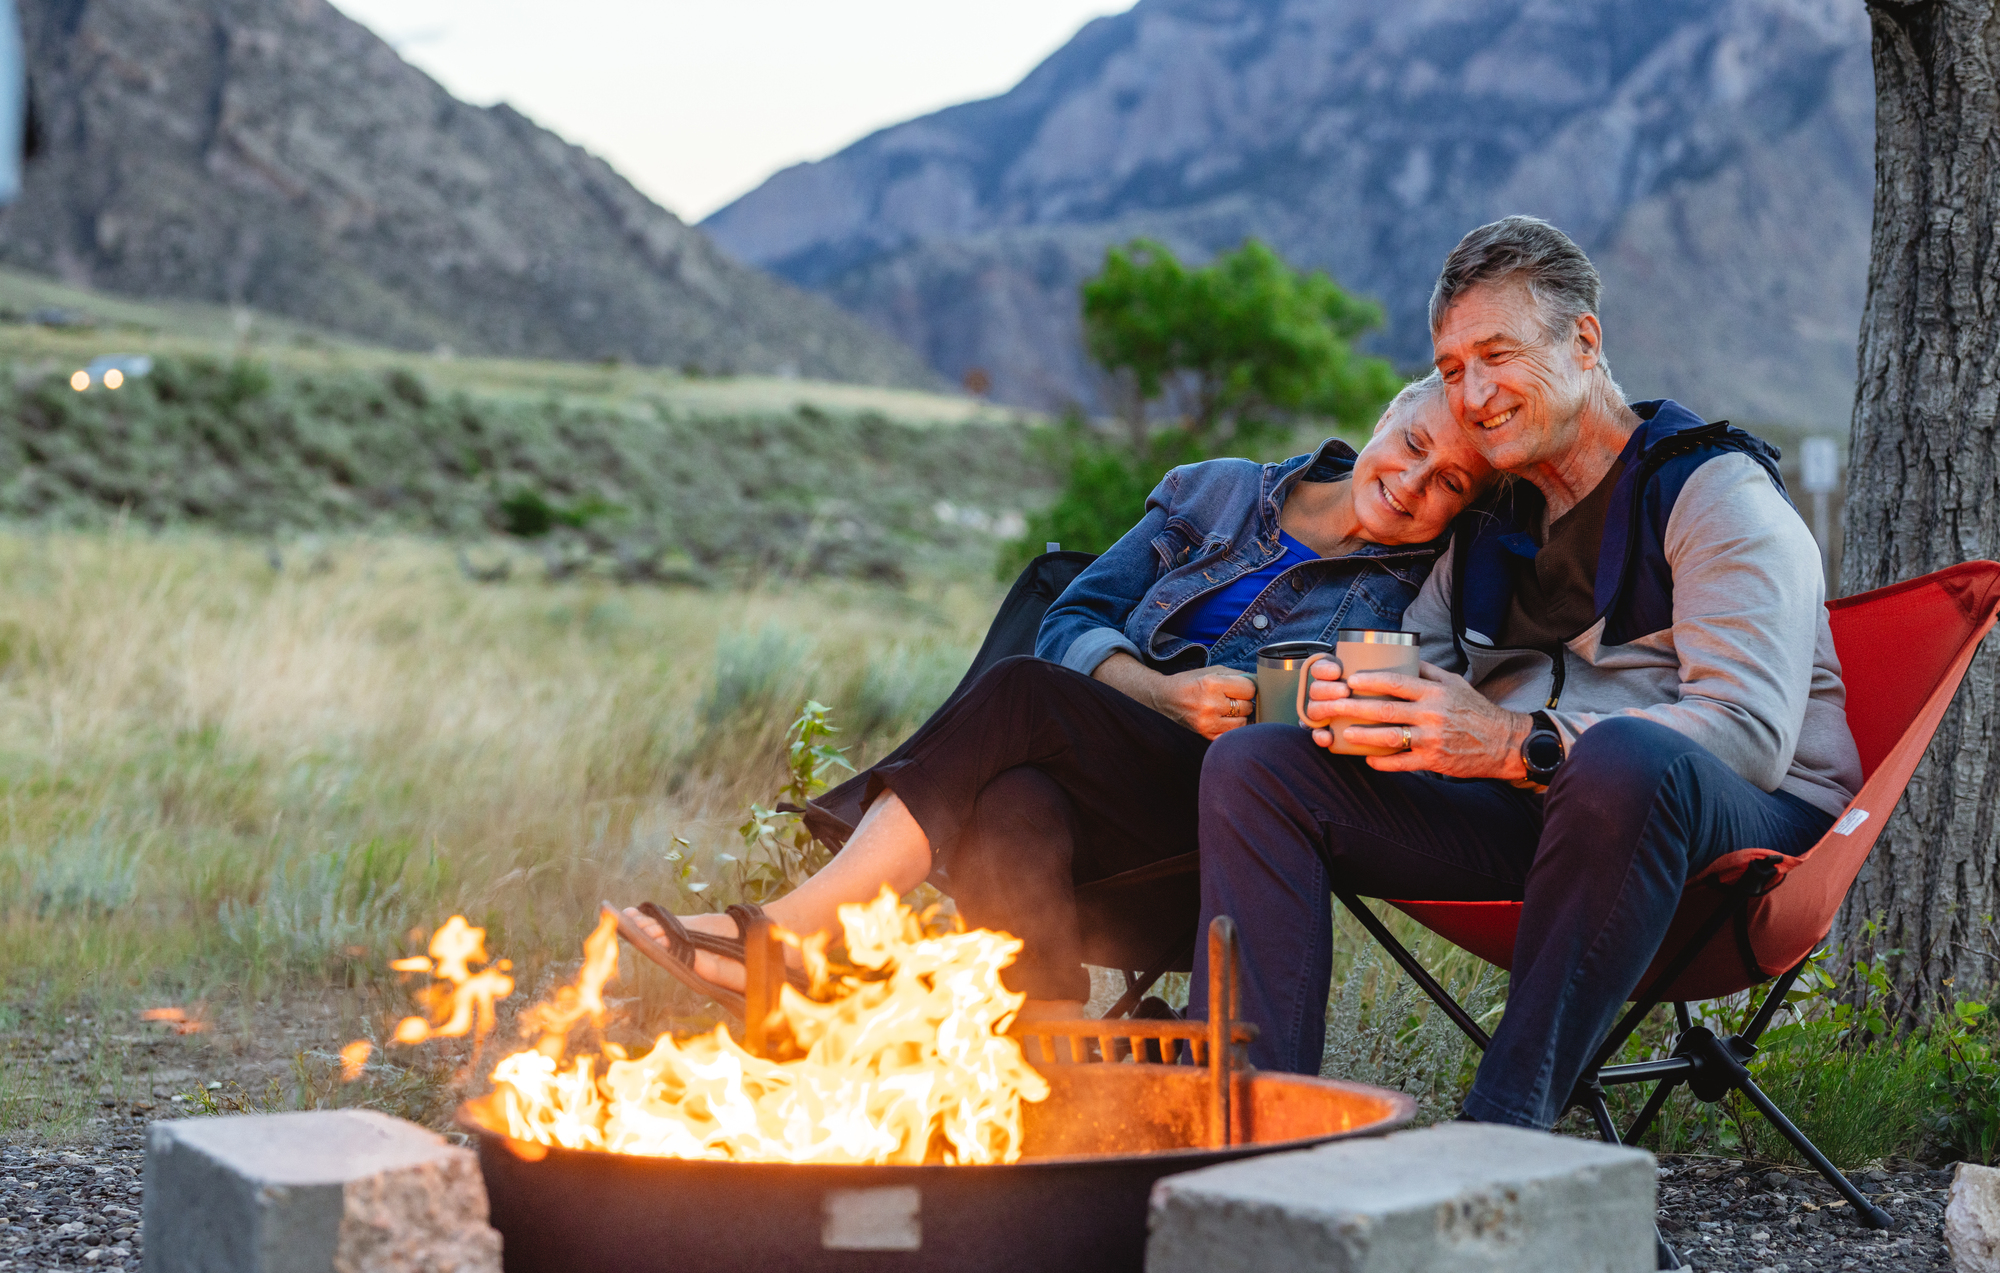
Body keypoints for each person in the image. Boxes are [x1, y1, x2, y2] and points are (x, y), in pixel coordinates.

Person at [1193, 216, 1863, 1128]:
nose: (1470, 393)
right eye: (1452, 367)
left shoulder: (1712, 493)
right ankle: (1238, 1134)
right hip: (1547, 814)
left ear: (1583, 339)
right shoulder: (1485, 521)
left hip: (1738, 836)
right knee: (1258, 768)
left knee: (1624, 761)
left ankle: (1503, 1141)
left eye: (1496, 353)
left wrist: (1517, 742)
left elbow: (1746, 732)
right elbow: (1416, 670)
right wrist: (1323, 701)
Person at [620, 375, 1494, 1019]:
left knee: (1024, 697)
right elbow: (1073, 612)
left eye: (1452, 483)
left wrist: (1252, 703)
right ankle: (1049, 1053)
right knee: (1014, 796)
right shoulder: (1218, 489)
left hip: (1225, 843)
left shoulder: (1423, 589)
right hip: (1100, 820)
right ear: (1382, 417)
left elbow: (1367, 713)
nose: (1416, 484)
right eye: (1415, 446)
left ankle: (794, 936)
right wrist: (1159, 690)